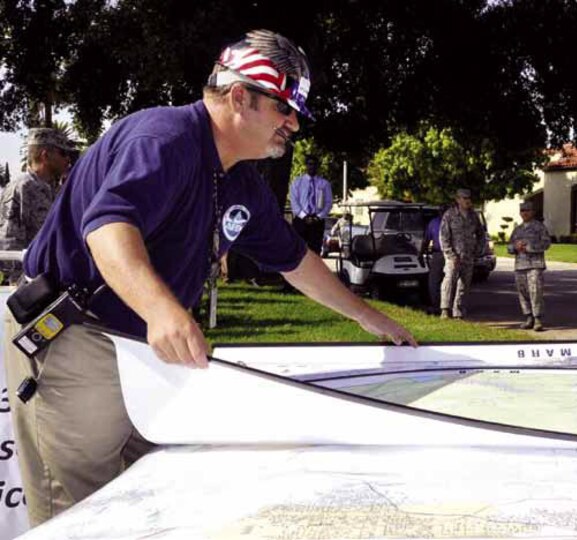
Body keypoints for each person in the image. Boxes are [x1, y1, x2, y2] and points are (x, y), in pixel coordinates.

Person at [3, 29, 416, 526]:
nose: (294, 126)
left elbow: (295, 260)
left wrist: (371, 319)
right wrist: (162, 311)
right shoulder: (164, 140)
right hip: (77, 338)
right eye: (285, 109)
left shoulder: (238, 177)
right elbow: (108, 228)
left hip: (141, 351)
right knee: (84, 515)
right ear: (240, 96)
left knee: (150, 498)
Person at [0, 128, 73, 283]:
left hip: (53, 279)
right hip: (30, 285)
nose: (68, 159)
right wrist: (20, 286)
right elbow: (9, 245)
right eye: (63, 153)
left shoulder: (55, 189)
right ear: (45, 155)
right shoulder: (21, 187)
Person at [439, 188, 485, 319]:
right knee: (449, 282)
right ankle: (445, 310)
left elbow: (481, 234)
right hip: (453, 257)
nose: (467, 201)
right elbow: (443, 236)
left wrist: (478, 250)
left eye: (469, 198)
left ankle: (458, 311)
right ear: (457, 199)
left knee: (464, 284)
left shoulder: (473, 216)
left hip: (468, 256)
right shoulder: (449, 215)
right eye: (464, 198)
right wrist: (450, 255)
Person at [507, 202, 551, 331]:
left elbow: (547, 243)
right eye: (522, 211)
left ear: (533, 212)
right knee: (522, 292)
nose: (524, 213)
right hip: (520, 265)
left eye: (527, 210)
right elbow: (509, 246)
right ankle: (528, 317)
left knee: (535, 291)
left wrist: (530, 247)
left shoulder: (539, 227)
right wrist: (515, 247)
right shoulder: (517, 229)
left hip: (535, 265)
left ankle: (537, 319)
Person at [289, 154, 332, 253]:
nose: (312, 166)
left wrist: (318, 217)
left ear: (318, 166)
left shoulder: (324, 184)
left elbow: (328, 203)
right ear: (306, 165)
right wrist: (304, 217)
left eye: (314, 164)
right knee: (298, 250)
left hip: (317, 221)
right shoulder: (297, 182)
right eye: (309, 164)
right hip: (300, 220)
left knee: (315, 250)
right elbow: (294, 202)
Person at [422, 205, 447, 314]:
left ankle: (438, 306)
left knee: (435, 281)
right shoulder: (434, 222)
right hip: (442, 254)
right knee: (442, 281)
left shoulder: (436, 222)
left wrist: (421, 252)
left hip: (443, 254)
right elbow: (426, 240)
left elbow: (426, 240)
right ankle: (441, 305)